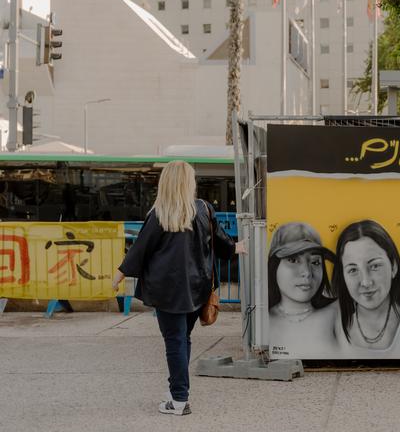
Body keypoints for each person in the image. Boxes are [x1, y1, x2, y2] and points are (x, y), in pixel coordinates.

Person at [112, 161, 245, 416]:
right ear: (189, 183)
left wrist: (118, 276)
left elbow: (140, 249)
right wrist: (239, 247)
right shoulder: (204, 209)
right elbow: (223, 242)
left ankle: (180, 399)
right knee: (182, 339)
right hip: (198, 289)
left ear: (167, 183)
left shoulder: (160, 214)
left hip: (167, 291)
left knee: (175, 341)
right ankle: (177, 390)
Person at [332, 219, 400, 358]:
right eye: (353, 270)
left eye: (374, 266)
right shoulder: (334, 325)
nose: (366, 282)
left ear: (393, 266)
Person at [266, 222, 340, 359]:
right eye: (293, 260)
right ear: (274, 266)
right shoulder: (263, 319)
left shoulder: (338, 312)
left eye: (315, 262)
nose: (307, 272)